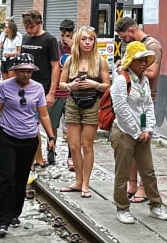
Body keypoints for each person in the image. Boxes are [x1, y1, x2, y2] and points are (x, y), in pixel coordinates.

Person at [0, 54, 56, 237]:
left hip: (29, 139)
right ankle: (2, 220)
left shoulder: (37, 88)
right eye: (22, 71)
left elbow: (44, 114)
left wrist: (51, 136)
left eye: (29, 71)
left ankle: (15, 213)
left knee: (21, 178)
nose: (25, 74)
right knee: (7, 177)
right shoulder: (4, 87)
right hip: (6, 136)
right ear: (15, 71)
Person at [110, 41, 167, 225]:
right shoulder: (122, 80)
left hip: (141, 133)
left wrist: (148, 129)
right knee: (122, 173)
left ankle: (155, 206)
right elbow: (121, 109)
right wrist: (137, 131)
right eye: (140, 60)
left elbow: (147, 106)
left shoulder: (143, 80)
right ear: (131, 61)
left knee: (148, 170)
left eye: (146, 60)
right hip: (123, 132)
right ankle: (122, 208)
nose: (144, 63)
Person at [58, 25, 110, 197]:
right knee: (74, 145)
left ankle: (86, 183)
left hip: (92, 103)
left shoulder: (100, 61)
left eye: (91, 39)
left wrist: (94, 84)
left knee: (87, 145)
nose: (87, 42)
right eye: (84, 39)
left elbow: (106, 86)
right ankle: (78, 180)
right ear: (78, 41)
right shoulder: (70, 60)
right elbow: (61, 83)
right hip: (73, 102)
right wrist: (70, 85)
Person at [115, 16, 163, 202]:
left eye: (123, 37)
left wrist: (128, 68)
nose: (123, 41)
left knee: (143, 146)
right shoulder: (134, 47)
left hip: (146, 101)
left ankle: (143, 188)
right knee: (132, 144)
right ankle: (132, 184)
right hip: (131, 101)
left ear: (132, 31)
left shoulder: (152, 46)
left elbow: (152, 72)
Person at [19, 10, 61, 172]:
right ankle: (39, 160)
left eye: (32, 27)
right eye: (27, 27)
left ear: (39, 23)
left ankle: (33, 162)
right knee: (31, 126)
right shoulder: (25, 38)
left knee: (31, 125)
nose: (29, 30)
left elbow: (55, 66)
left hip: (41, 88)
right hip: (24, 88)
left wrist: (51, 92)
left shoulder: (49, 39)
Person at [52, 19, 76, 169]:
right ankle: (51, 150)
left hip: (71, 93)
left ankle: (71, 156)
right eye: (63, 35)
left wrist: (74, 47)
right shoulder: (55, 46)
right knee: (52, 125)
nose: (65, 38)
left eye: (68, 35)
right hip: (56, 92)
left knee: (71, 127)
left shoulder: (79, 47)